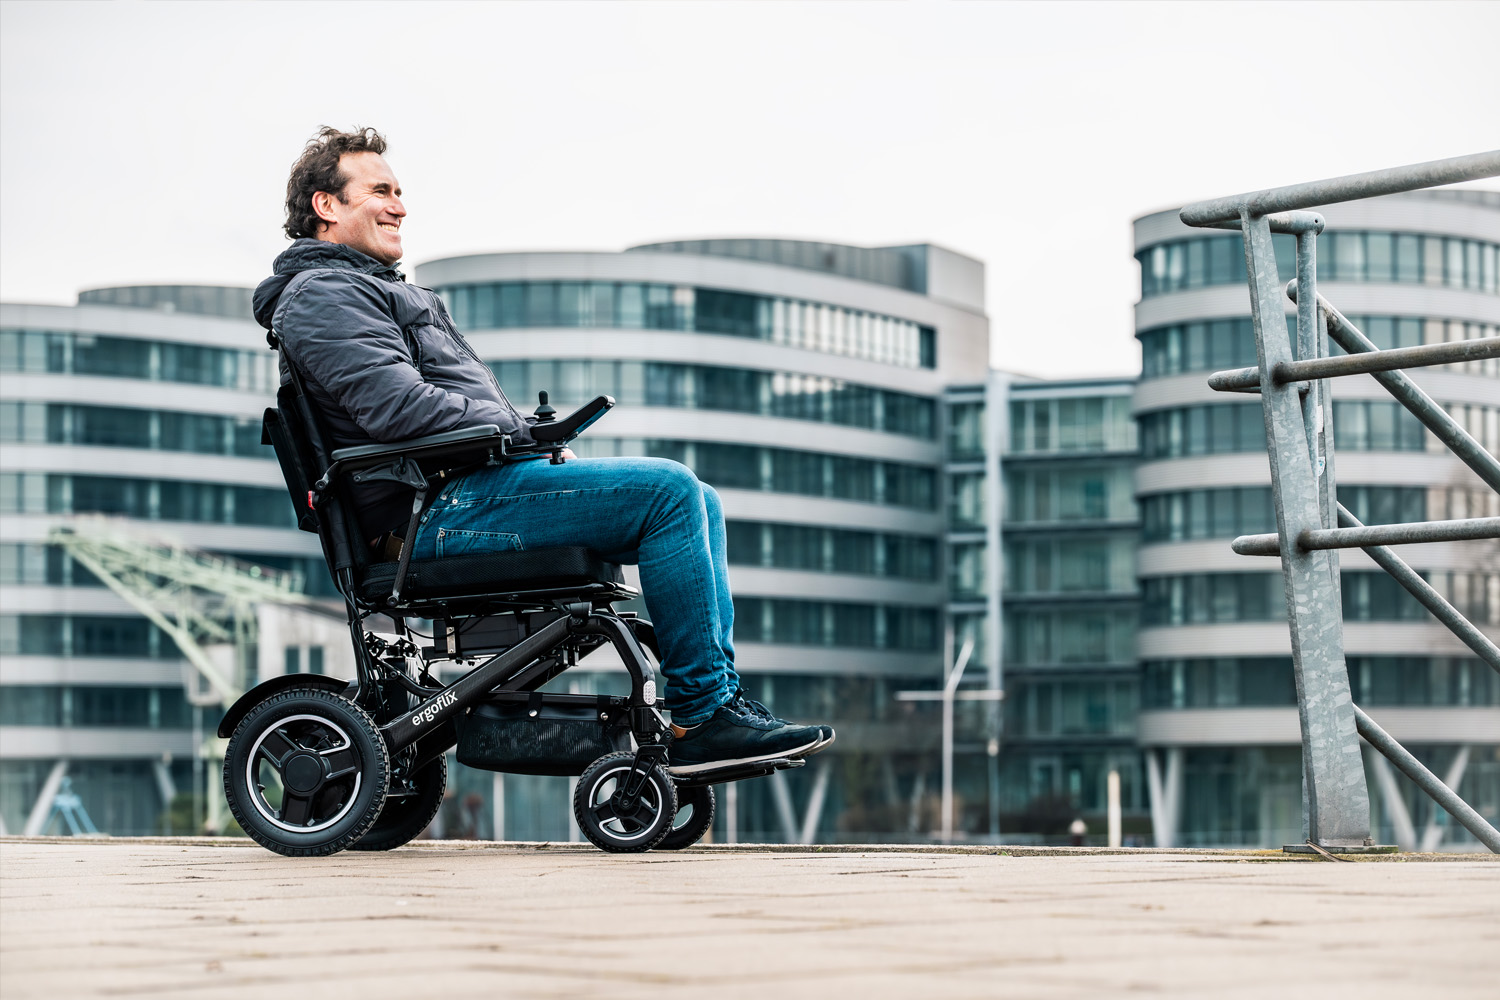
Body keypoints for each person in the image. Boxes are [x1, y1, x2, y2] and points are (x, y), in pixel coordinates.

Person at [252, 126, 833, 774]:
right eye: (381, 191)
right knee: (668, 493)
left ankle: (718, 703)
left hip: (465, 492)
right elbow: (397, 410)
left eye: (400, 191)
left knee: (700, 499)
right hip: (433, 516)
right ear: (327, 205)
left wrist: (522, 435)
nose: (400, 206)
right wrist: (518, 433)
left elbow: (427, 407)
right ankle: (703, 714)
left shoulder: (371, 291)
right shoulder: (323, 298)